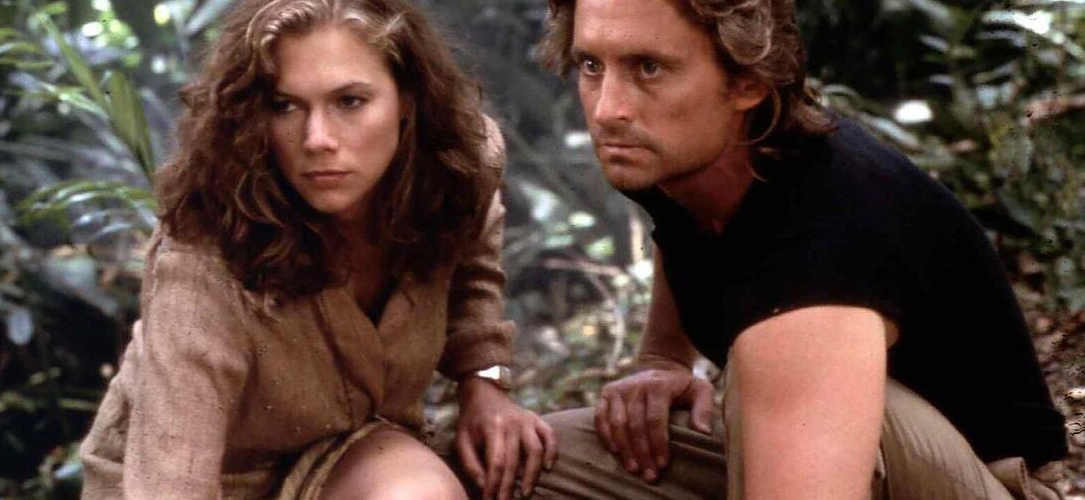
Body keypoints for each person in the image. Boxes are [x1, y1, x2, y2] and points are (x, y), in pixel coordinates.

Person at [530, 0, 1068, 498]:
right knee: (527, 464)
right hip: (822, 449)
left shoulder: (822, 243)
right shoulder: (674, 153)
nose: (608, 109)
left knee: (769, 362)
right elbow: (682, 228)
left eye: (649, 68)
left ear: (747, 81)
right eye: (592, 66)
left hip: (982, 482)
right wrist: (663, 358)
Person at [78, 1, 556, 498]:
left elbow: (470, 268)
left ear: (407, 98)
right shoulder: (205, 256)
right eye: (284, 106)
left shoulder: (457, 169)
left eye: (349, 101)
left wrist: (483, 381)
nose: (317, 139)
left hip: (346, 460)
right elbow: (172, 478)